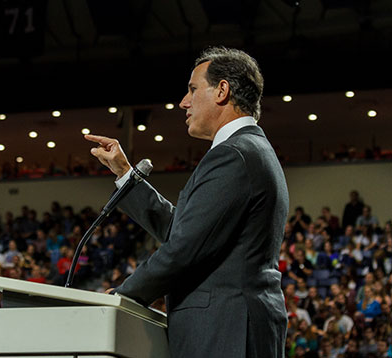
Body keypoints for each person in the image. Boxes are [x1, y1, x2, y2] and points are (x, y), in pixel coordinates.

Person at [85, 47, 289, 358]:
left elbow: (184, 248)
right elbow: (188, 231)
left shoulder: (234, 154)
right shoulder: (249, 150)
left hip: (226, 329)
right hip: (232, 325)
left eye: (193, 89)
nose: (183, 101)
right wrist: (127, 175)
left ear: (222, 90)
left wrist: (123, 295)